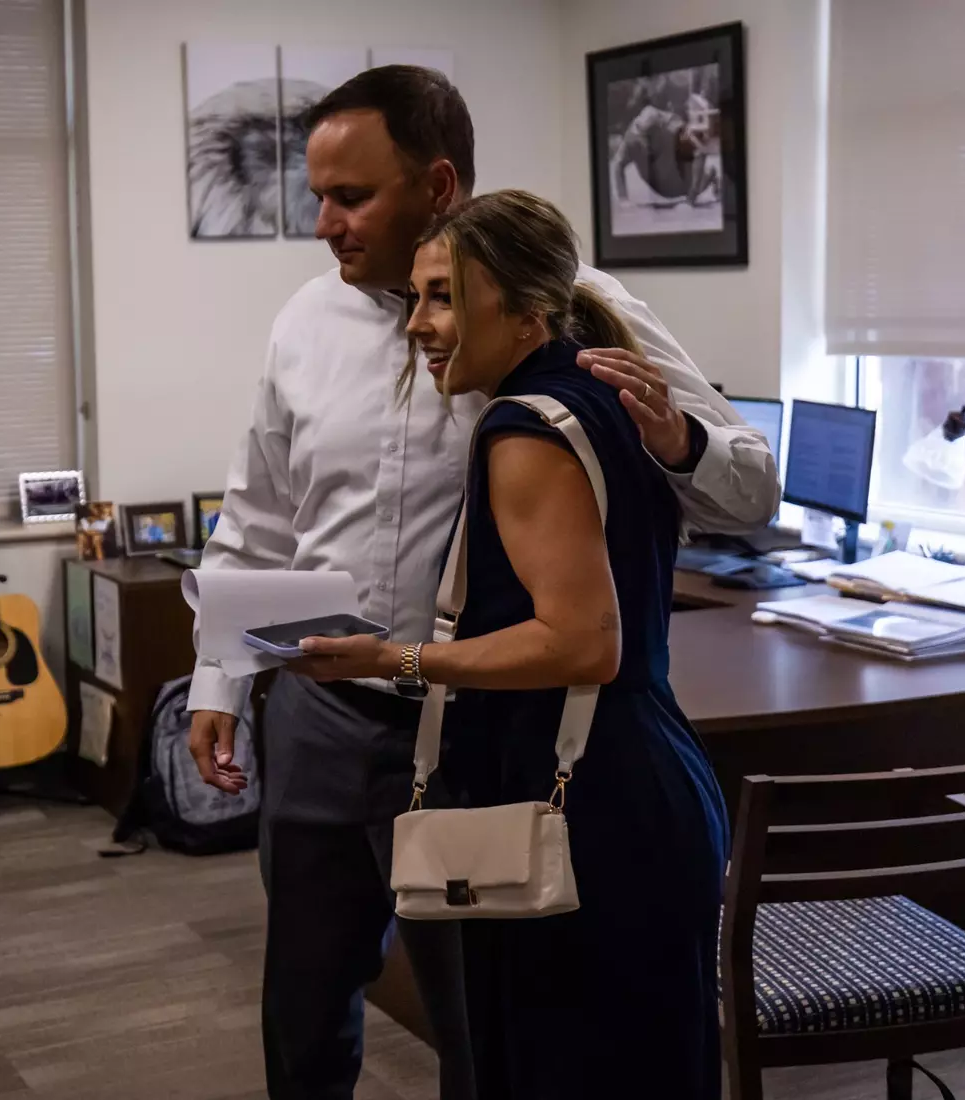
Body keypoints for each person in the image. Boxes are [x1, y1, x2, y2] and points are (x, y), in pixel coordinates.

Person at [185, 65, 776, 1100]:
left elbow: (751, 490)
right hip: (321, 715)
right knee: (305, 1010)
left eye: (351, 195)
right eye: (314, 194)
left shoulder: (577, 312)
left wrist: (678, 437)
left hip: (482, 731)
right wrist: (216, 683)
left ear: (439, 184)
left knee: (491, 1029)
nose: (323, 222)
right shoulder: (301, 324)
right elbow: (259, 517)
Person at [291, 190, 726, 1097]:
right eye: (416, 298)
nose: (419, 325)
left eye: (443, 296)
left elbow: (580, 646)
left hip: (595, 805)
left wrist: (395, 660)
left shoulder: (525, 429)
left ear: (526, 309)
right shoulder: (602, 397)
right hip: (644, 777)